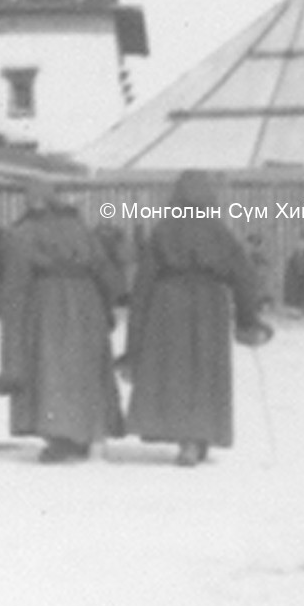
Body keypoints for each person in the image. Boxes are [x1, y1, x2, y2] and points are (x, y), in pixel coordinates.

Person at [124, 171, 274, 466]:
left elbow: (143, 283)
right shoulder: (220, 232)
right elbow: (244, 277)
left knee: (175, 371)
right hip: (210, 305)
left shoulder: (163, 231)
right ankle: (198, 436)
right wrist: (247, 319)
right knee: (205, 372)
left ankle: (185, 438)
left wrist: (136, 335)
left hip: (168, 306)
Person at [0, 183, 125, 464]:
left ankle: (62, 438)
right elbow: (105, 272)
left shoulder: (22, 234)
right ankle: (92, 433)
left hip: (46, 306)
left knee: (53, 370)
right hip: (87, 304)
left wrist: (12, 321)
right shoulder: (81, 229)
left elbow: (16, 286)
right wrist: (107, 308)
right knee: (86, 370)